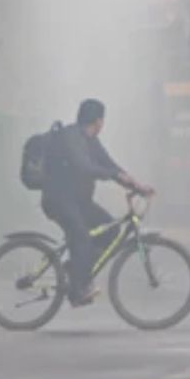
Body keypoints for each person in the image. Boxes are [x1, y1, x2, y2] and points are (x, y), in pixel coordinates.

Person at [41, 98, 154, 307]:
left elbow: (109, 165)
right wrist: (113, 175)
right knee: (82, 237)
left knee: (111, 232)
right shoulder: (71, 137)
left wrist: (137, 186)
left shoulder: (91, 140)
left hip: (79, 202)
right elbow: (85, 167)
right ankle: (78, 290)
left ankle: (76, 270)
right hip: (59, 201)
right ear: (99, 121)